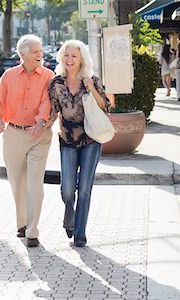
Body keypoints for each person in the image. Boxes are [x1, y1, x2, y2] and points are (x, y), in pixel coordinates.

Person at [0, 34, 55, 248]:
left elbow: (47, 103)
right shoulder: (8, 76)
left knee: (35, 183)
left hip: (39, 135)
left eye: (41, 51)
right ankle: (22, 223)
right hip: (14, 133)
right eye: (36, 51)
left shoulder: (48, 75)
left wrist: (40, 122)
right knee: (17, 183)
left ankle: (32, 232)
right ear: (23, 54)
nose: (40, 54)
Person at [49, 40, 111, 247]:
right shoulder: (56, 83)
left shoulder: (91, 80)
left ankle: (80, 233)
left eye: (74, 56)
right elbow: (52, 111)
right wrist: (39, 127)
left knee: (84, 189)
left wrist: (92, 88)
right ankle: (70, 216)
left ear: (82, 58)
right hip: (67, 140)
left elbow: (105, 106)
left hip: (90, 140)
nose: (69, 59)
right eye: (66, 55)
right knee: (67, 190)